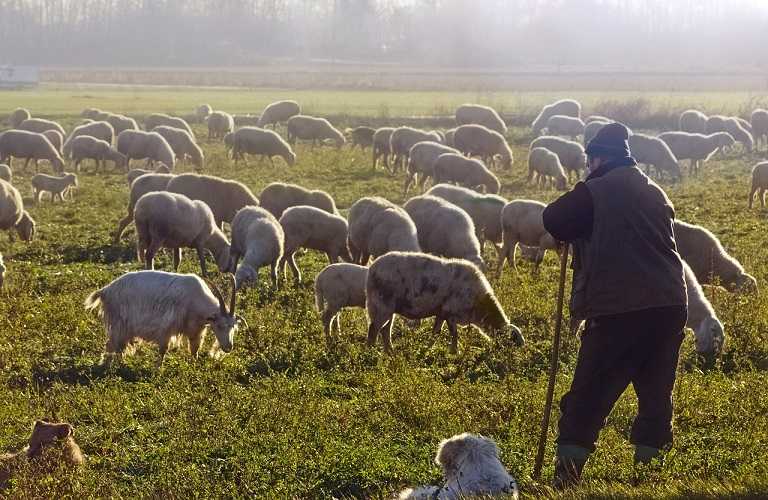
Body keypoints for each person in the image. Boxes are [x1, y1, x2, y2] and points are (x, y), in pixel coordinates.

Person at [542, 122, 688, 488]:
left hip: (621, 308)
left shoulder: (597, 189)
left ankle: (566, 478)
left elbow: (554, 218)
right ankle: (649, 477)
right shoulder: (655, 190)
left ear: (597, 159)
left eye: (589, 161)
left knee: (589, 392)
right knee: (656, 393)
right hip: (669, 306)